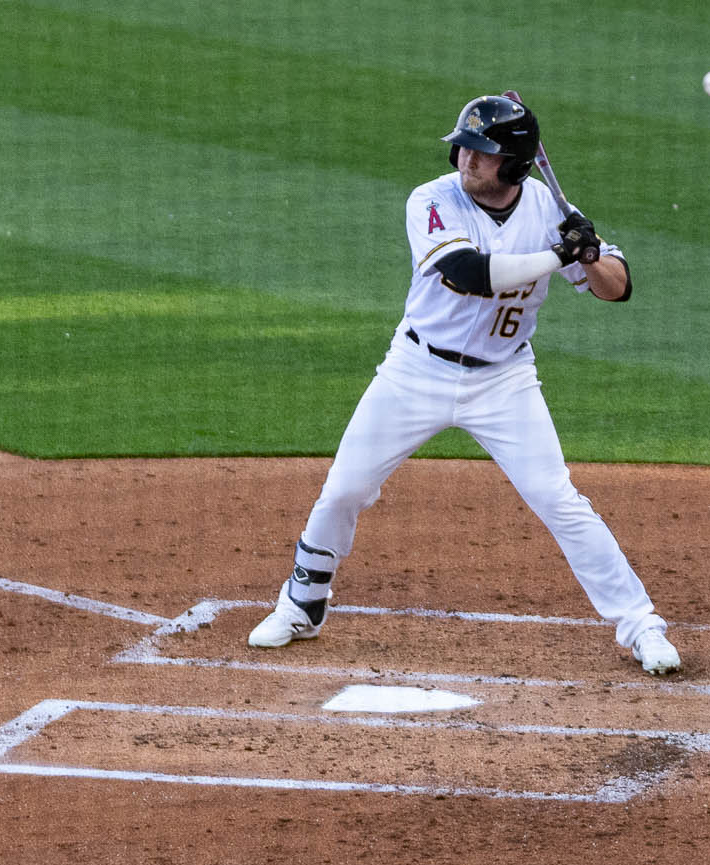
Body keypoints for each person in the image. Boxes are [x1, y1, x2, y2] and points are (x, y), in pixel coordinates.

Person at [242, 94, 684, 679]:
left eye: (482, 151)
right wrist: (559, 254)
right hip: (415, 370)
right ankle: (302, 604)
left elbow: (617, 288)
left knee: (559, 499)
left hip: (505, 381)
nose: (466, 159)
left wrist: (591, 251)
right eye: (464, 146)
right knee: (346, 487)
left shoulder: (552, 209)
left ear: (516, 164)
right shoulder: (431, 199)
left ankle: (640, 625)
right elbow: (467, 273)